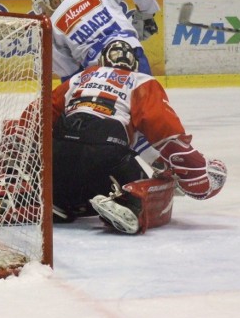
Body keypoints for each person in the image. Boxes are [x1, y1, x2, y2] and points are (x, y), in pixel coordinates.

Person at [46, 40, 227, 233]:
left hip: (59, 151)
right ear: (134, 65)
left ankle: (58, 200)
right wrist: (193, 169)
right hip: (105, 148)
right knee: (140, 180)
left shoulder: (81, 77)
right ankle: (130, 203)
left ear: (102, 61)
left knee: (70, 174)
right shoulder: (140, 80)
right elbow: (163, 127)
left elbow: (40, 114)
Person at [30, 0, 159, 81]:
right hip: (134, 56)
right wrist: (146, 16)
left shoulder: (52, 27)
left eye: (42, 7)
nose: (43, 14)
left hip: (100, 79)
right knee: (150, 107)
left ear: (54, 1)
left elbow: (72, 78)